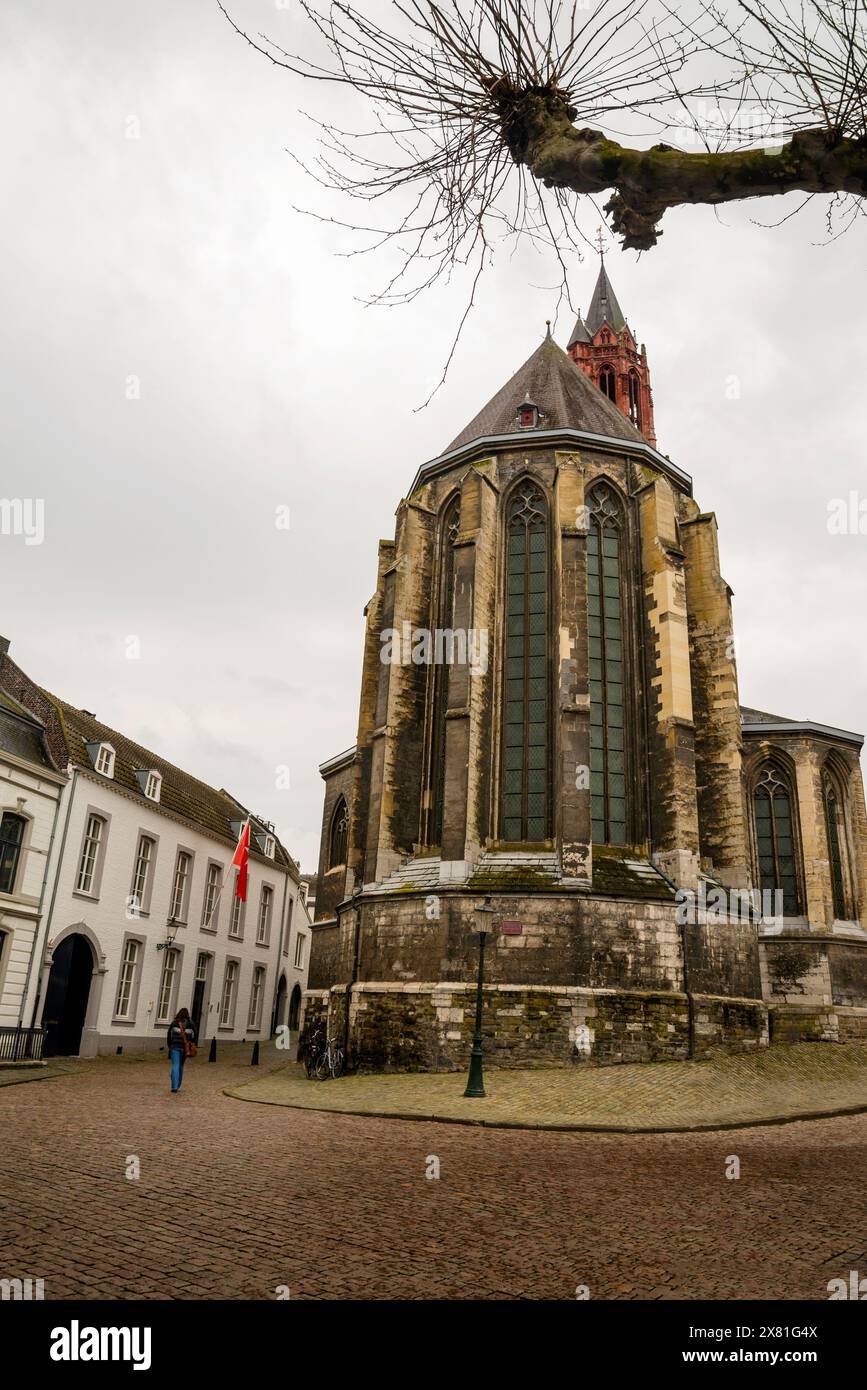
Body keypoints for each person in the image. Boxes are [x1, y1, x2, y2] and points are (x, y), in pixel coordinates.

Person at [167, 1007, 196, 1093]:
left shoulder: (174, 1023)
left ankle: (174, 1086)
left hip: (175, 1046)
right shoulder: (191, 1023)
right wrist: (192, 1043)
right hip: (185, 1048)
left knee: (175, 1065)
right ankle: (178, 1084)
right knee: (180, 1066)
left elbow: (169, 1035)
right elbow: (195, 1034)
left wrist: (170, 1045)